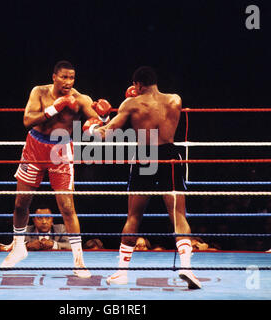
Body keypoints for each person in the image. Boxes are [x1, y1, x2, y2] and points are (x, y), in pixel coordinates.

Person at [0, 60, 112, 279]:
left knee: (67, 206)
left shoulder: (81, 99)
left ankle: (79, 261)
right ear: (54, 77)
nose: (68, 82)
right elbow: (27, 120)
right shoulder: (39, 93)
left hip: (61, 149)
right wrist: (54, 109)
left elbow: (97, 128)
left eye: (72, 78)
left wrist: (104, 117)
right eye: (64, 77)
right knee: (21, 202)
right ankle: (18, 247)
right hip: (34, 147)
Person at [92, 66, 201, 289]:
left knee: (134, 216)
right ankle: (187, 268)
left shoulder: (131, 104)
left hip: (144, 156)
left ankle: (122, 272)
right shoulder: (175, 100)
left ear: (137, 85)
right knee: (178, 214)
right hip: (170, 155)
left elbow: (107, 133)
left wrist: (97, 122)